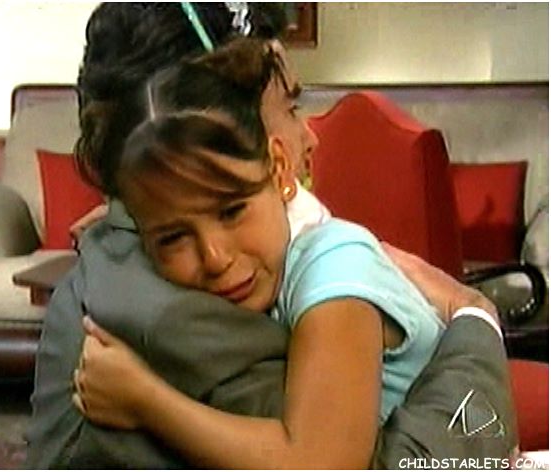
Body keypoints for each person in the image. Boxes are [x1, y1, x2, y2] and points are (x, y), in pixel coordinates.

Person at [25, 3, 517, 468]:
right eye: (288, 106)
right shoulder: (175, 313)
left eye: (230, 208)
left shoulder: (139, 252)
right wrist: (475, 319)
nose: (310, 136)